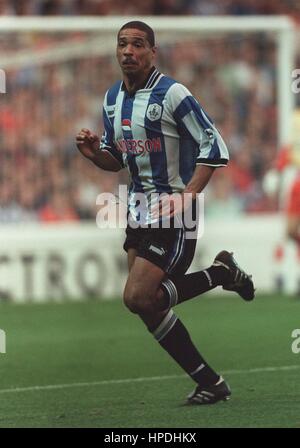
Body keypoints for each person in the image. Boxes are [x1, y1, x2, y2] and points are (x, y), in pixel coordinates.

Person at [76, 21, 255, 405]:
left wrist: (189, 195)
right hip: (138, 210)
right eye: (122, 44)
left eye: (137, 44)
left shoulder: (173, 94)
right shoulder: (112, 99)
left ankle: (222, 274)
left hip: (173, 209)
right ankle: (211, 381)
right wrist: (95, 154)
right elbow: (118, 158)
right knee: (147, 304)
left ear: (152, 52)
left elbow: (214, 144)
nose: (128, 51)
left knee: (140, 297)